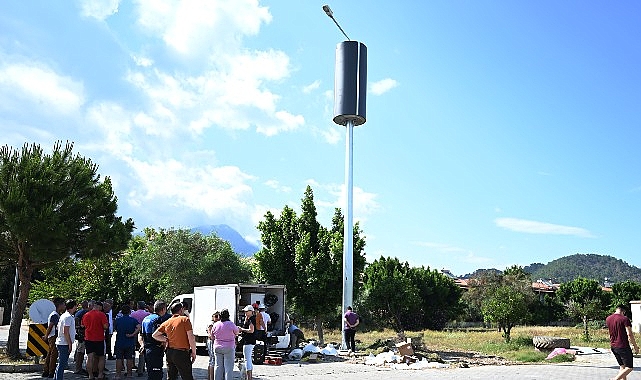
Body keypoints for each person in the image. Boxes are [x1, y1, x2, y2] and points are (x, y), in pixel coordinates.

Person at [152, 302, 196, 380]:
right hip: (181, 353)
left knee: (171, 377)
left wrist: (166, 339)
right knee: (187, 377)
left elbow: (155, 335)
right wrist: (193, 352)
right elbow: (191, 337)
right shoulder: (184, 319)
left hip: (170, 352)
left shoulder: (167, 322)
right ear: (181, 309)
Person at [606, 305, 639, 380]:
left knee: (622, 366)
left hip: (613, 346)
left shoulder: (608, 318)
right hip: (623, 346)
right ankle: (615, 379)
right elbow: (629, 334)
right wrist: (635, 347)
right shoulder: (624, 319)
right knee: (629, 367)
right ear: (623, 311)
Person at [140, 300, 169, 380]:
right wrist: (167, 340)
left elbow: (141, 335)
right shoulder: (158, 319)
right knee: (156, 374)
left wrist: (142, 345)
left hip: (147, 349)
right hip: (155, 350)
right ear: (163, 309)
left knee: (151, 373)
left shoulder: (146, 318)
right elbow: (156, 335)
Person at [83, 301, 109, 380]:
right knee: (101, 357)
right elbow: (105, 326)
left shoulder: (86, 315)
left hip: (88, 338)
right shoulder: (101, 314)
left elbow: (83, 325)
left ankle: (90, 375)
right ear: (98, 307)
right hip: (99, 338)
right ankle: (100, 374)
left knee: (89, 357)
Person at [114, 305, 141, 379]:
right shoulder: (133, 320)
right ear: (129, 311)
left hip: (120, 341)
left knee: (119, 358)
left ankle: (118, 375)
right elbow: (139, 327)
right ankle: (129, 374)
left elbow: (115, 329)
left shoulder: (118, 320)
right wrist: (133, 334)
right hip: (129, 341)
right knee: (129, 358)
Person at [210, 308, 239, 380]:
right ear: (228, 316)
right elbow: (237, 332)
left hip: (217, 347)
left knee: (218, 367)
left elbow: (212, 336)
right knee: (228, 368)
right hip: (229, 347)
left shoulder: (216, 324)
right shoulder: (231, 324)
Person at [53, 299, 78, 380]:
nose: (76, 308)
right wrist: (70, 344)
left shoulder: (65, 315)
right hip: (64, 343)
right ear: (73, 306)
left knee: (61, 364)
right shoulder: (67, 317)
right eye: (75, 306)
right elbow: (65, 331)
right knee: (62, 364)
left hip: (62, 342)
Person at [42, 297, 65, 378]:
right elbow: (51, 326)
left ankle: (46, 370)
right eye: (64, 304)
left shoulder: (56, 314)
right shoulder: (55, 315)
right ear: (60, 305)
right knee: (53, 354)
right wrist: (46, 335)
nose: (65, 306)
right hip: (53, 336)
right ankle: (51, 372)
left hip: (52, 336)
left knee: (50, 354)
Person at [131, 301, 150, 377]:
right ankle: (141, 367)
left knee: (133, 350)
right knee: (142, 350)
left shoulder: (133, 314)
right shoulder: (147, 314)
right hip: (144, 334)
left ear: (137, 306)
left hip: (134, 333)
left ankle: (134, 365)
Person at [238, 304, 256, 380]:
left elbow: (251, 330)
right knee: (248, 359)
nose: (245, 312)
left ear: (251, 311)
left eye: (246, 311)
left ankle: (249, 377)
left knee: (247, 359)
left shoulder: (251, 319)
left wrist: (242, 329)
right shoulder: (250, 319)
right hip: (249, 341)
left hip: (249, 341)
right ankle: (248, 376)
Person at [73, 300, 91, 376]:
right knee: (80, 352)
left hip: (81, 335)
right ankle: (78, 369)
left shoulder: (79, 312)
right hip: (82, 335)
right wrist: (80, 327)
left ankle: (79, 368)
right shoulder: (83, 313)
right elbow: (76, 322)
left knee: (80, 351)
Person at [206, 311, 220, 380]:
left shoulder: (217, 323)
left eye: (218, 316)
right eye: (216, 316)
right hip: (212, 342)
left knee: (212, 360)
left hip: (214, 341)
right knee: (212, 360)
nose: (218, 318)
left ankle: (210, 377)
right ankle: (211, 378)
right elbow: (210, 335)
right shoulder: (211, 324)